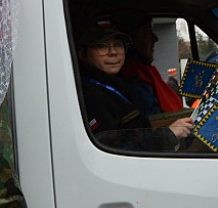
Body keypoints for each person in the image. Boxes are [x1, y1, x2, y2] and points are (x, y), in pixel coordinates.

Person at [78, 16, 194, 151]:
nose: (113, 52)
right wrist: (168, 135)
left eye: (118, 44)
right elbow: (112, 149)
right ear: (83, 54)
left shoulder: (118, 86)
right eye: (102, 46)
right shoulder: (90, 95)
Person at [113, 9, 184, 116]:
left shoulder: (144, 74)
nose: (155, 38)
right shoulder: (132, 79)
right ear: (131, 39)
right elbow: (153, 120)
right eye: (148, 32)